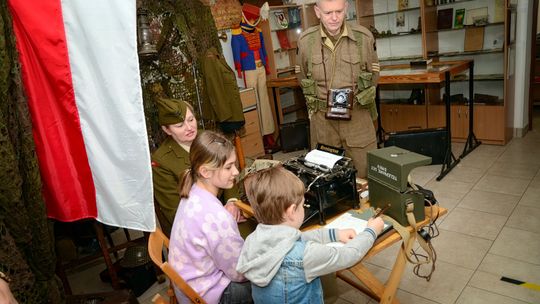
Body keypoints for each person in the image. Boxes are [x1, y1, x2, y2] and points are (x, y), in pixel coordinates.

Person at [237, 165, 384, 303]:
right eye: (303, 205)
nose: (304, 208)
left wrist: (334, 234)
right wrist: (371, 231)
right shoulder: (305, 256)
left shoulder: (252, 239)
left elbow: (299, 237)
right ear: (291, 211)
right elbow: (349, 256)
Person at [297, 0, 380, 177]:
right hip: (323, 122)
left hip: (357, 117)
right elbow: (302, 77)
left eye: (339, 11)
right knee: (325, 177)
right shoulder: (306, 42)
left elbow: (373, 75)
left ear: (346, 9)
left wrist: (359, 99)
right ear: (317, 12)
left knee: (366, 173)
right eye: (328, 13)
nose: (334, 18)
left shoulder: (363, 38)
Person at [169, 130, 252, 304]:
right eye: (229, 167)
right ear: (205, 171)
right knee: (276, 278)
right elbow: (240, 272)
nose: (236, 171)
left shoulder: (192, 193)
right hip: (210, 295)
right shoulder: (217, 217)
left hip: (190, 287)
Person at [151, 98, 244, 236]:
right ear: (167, 130)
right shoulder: (162, 161)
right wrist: (219, 217)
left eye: (191, 119)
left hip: (227, 210)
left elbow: (228, 168)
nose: (189, 128)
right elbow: (175, 211)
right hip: (196, 227)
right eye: (179, 125)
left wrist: (232, 202)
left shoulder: (206, 137)